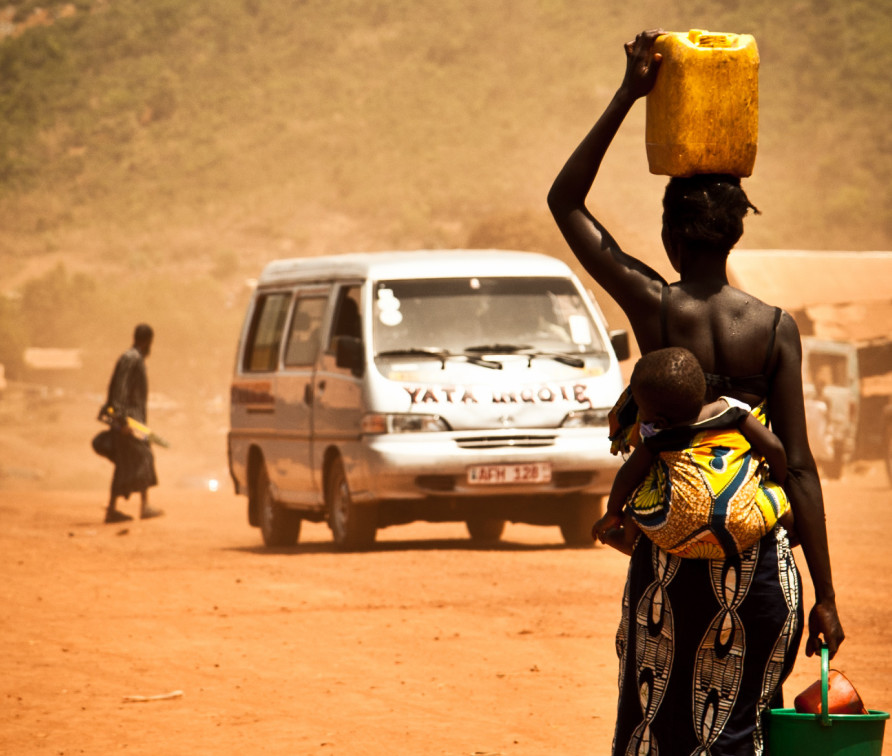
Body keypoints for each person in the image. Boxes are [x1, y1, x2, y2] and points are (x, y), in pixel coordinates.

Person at [547, 29, 844, 755]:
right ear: (736, 234)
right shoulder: (776, 329)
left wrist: (630, 93)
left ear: (671, 237)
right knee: (741, 733)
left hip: (673, 558)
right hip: (760, 565)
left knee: (658, 727)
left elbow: (565, 201)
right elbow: (798, 467)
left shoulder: (655, 306)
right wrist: (827, 594)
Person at [593, 346, 794, 558]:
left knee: (640, 486)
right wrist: (778, 482)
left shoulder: (655, 437)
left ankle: (623, 540)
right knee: (776, 495)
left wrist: (613, 512)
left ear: (659, 420)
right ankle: (793, 532)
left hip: (674, 538)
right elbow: (774, 447)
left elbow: (626, 476)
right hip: (743, 530)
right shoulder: (730, 410)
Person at [100, 323, 161, 523]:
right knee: (140, 459)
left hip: (136, 422)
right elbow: (120, 389)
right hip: (129, 422)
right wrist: (122, 420)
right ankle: (126, 508)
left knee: (139, 460)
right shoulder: (131, 359)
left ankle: (135, 506)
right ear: (148, 341)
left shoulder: (136, 359)